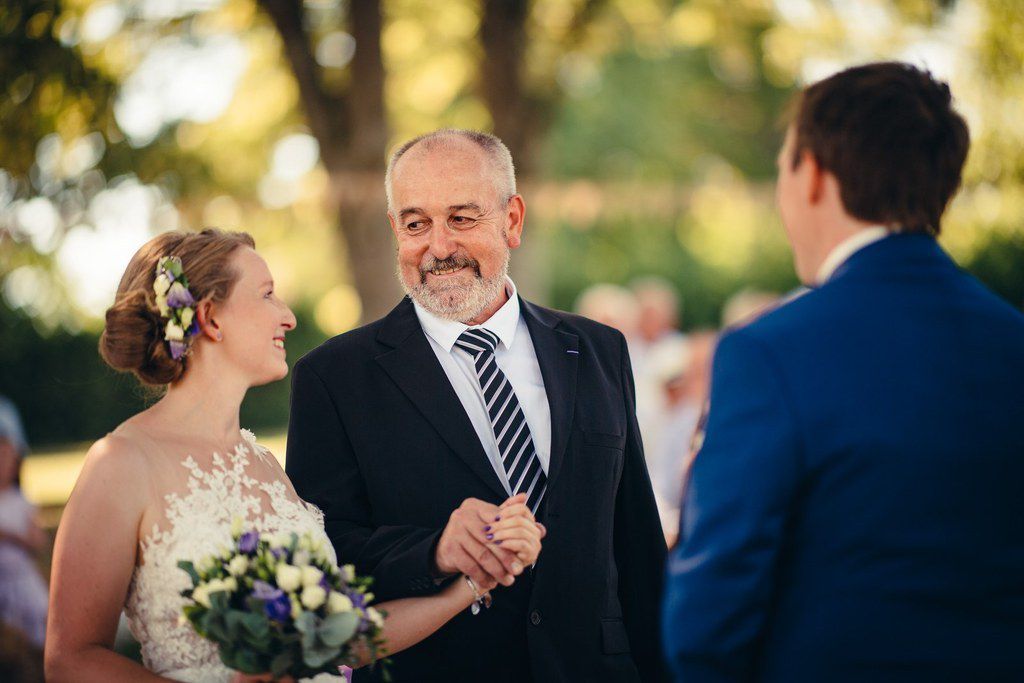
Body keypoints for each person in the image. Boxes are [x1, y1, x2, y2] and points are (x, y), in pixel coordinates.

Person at [44, 229, 544, 683]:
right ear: (210, 317)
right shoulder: (122, 463)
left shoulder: (264, 468)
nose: (288, 315)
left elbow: (340, 639)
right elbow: (71, 658)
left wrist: (474, 581)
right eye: (266, 295)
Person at [662, 62, 1024, 681]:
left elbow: (709, 619)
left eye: (782, 168)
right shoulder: (1011, 339)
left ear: (813, 177)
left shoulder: (770, 352)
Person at [287, 129, 668, 682]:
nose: (438, 247)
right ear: (396, 228)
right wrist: (435, 552)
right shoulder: (334, 377)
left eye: (462, 219)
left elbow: (636, 539)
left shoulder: (598, 349)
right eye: (416, 224)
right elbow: (328, 553)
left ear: (512, 220)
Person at [0, 396, 49, 650]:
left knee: (33, 641)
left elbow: (38, 542)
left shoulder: (20, 501)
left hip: (21, 585)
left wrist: (12, 537)